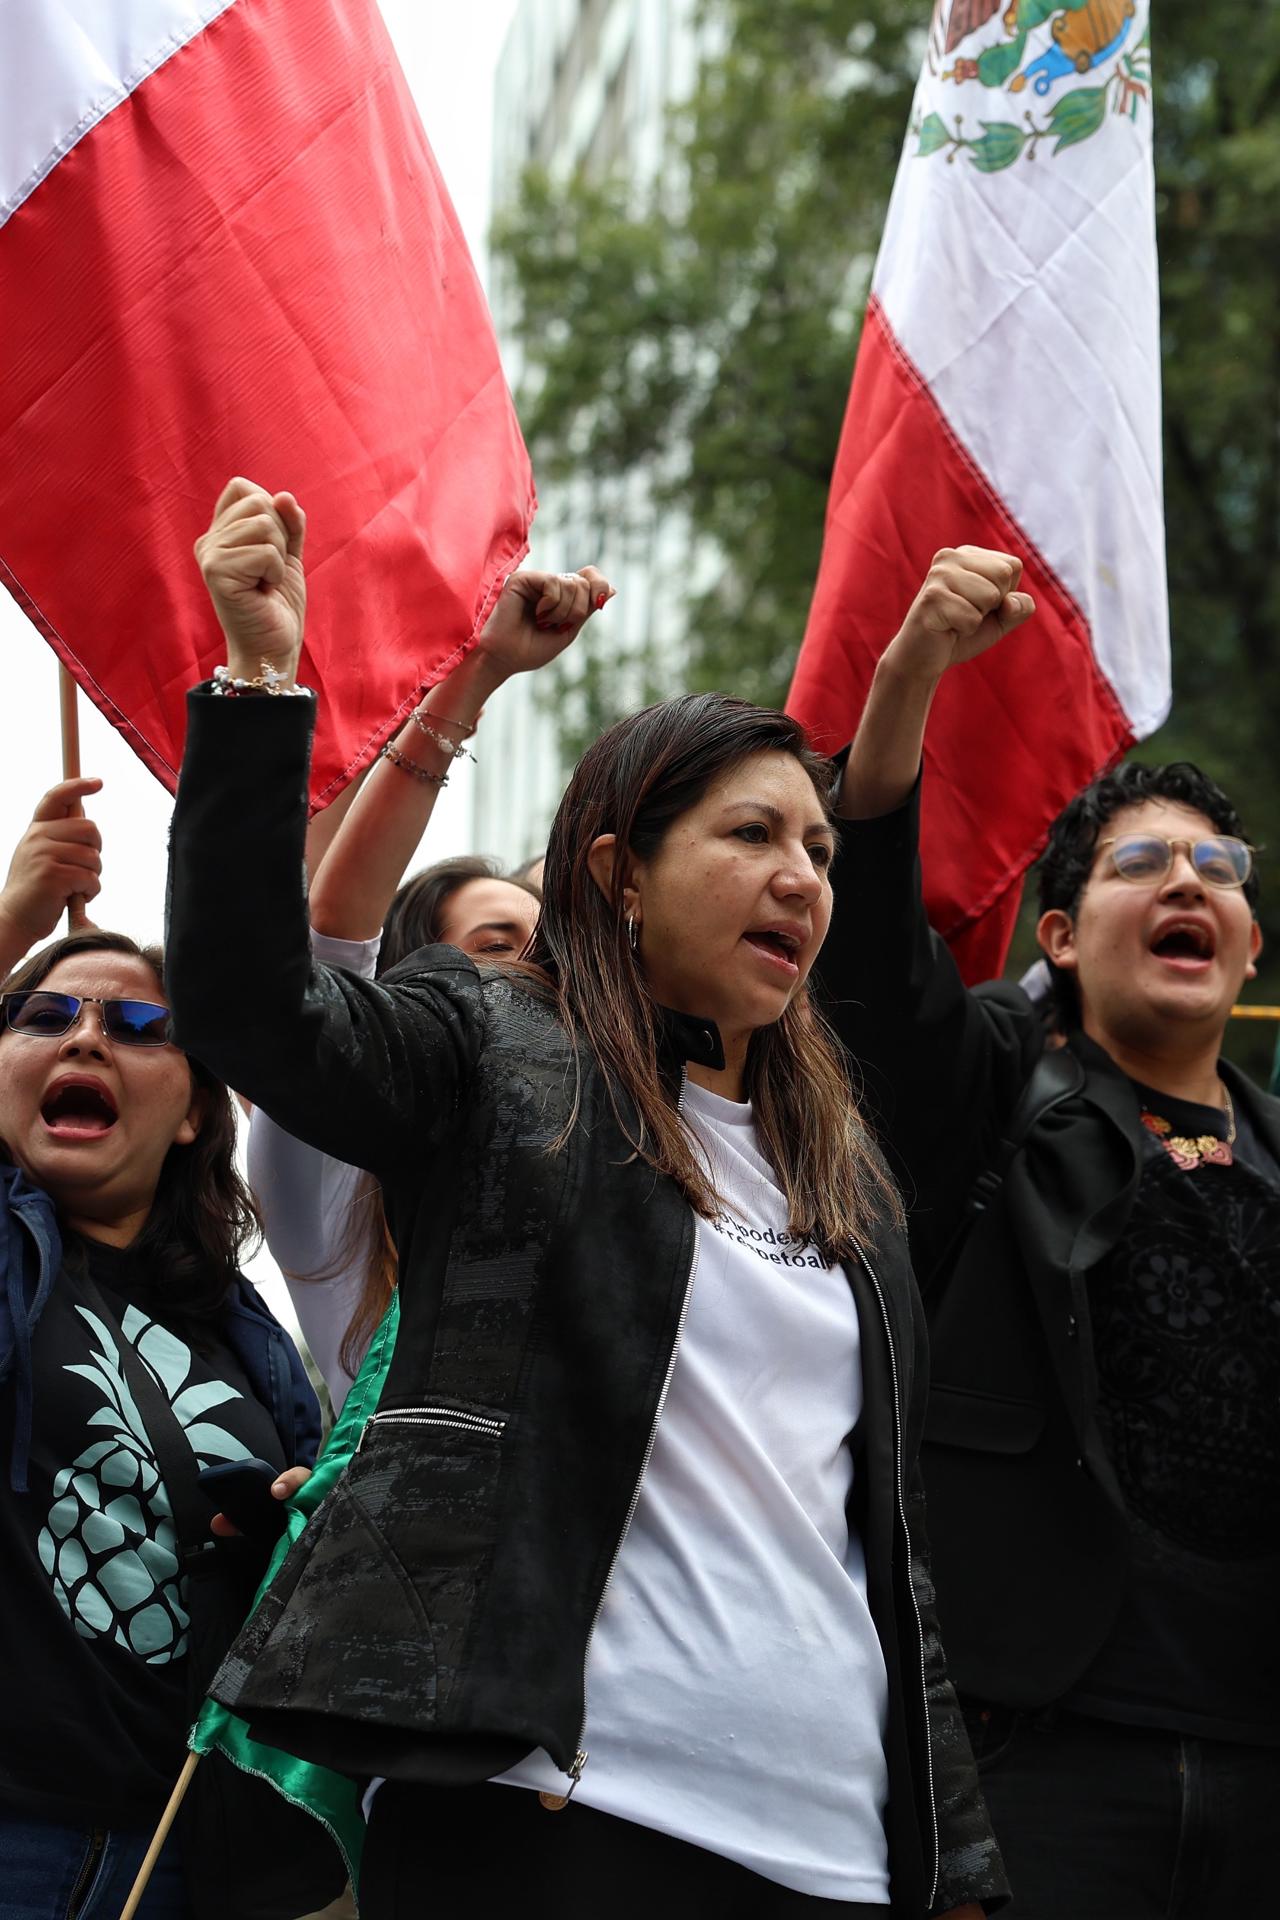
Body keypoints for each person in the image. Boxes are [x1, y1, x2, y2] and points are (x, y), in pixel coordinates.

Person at [163, 476, 1006, 1919]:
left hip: (837, 1847)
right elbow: (255, 1012)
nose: (799, 875)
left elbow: (887, 1535)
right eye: (750, 836)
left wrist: (955, 1854)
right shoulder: (496, 1046)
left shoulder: (850, 1168)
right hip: (559, 1809)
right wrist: (257, 685)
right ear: (617, 869)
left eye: (815, 847)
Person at [826, 544, 1280, 1915]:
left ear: (1251, 944)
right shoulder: (988, 1092)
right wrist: (908, 678)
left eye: (1220, 868)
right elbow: (876, 966)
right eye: (1146, 865)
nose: (1190, 884)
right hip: (1045, 1746)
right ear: (1066, 935)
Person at [0, 779, 326, 1919]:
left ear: (194, 1110)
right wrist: (11, 922)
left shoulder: (251, 1333)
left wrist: (294, 1507)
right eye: (43, 1018)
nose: (87, 1032)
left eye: (143, 1028)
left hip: (188, 1862)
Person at [248, 562, 606, 1406]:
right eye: (495, 944)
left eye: (548, 951)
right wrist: (472, 677)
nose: (535, 970)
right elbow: (333, 924)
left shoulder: (605, 1145)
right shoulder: (326, 1158)